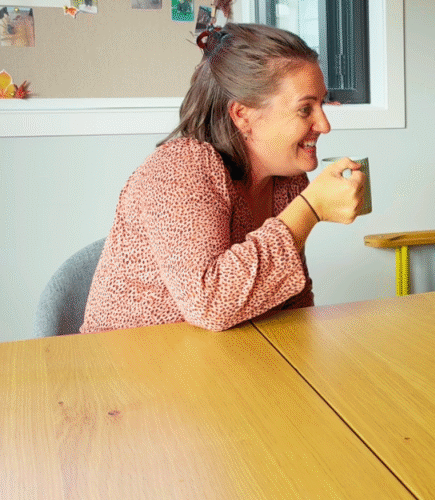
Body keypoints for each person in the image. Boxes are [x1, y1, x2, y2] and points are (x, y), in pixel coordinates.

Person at [81, 23, 367, 334]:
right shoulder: (181, 167)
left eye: (322, 104)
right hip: (125, 369)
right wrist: (309, 211)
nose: (324, 125)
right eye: (304, 109)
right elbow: (209, 304)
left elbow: (292, 307)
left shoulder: (287, 180)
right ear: (242, 114)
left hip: (221, 364)